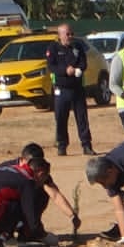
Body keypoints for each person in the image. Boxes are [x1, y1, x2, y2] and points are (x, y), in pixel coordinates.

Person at [46, 22, 95, 155]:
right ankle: (62, 145)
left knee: (82, 118)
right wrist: (65, 70)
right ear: (60, 35)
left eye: (71, 33)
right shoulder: (54, 48)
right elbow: (51, 66)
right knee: (61, 118)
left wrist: (79, 69)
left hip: (77, 88)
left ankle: (86, 145)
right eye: (67, 34)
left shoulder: (77, 46)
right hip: (61, 89)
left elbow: (83, 62)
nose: (70, 36)